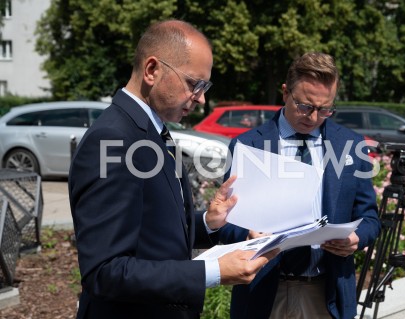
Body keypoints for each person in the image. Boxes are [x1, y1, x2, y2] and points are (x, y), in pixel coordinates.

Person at [69, 19, 276, 319]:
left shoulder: (147, 129)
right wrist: (212, 271)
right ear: (152, 70)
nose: (202, 99)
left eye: (205, 86)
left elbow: (151, 232)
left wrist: (208, 222)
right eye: (194, 84)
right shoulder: (113, 139)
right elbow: (105, 271)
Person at [219, 52, 381, 319]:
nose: (314, 117)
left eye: (325, 109)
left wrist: (356, 238)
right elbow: (224, 223)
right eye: (305, 106)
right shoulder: (248, 145)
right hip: (263, 291)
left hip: (326, 293)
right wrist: (248, 237)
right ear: (285, 92)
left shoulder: (351, 145)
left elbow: (370, 218)